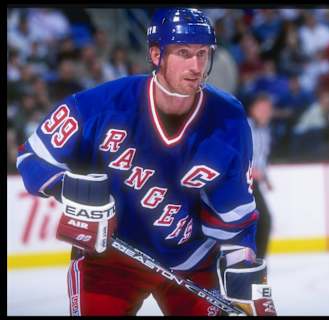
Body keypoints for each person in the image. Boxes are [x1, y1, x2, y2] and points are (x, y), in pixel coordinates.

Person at [16, 8, 276, 316]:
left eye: (203, 54)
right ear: (156, 54)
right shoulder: (103, 105)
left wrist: (244, 273)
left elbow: (233, 219)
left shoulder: (228, 120)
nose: (196, 65)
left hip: (192, 263)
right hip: (110, 260)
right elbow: (32, 156)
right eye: (183, 52)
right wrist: (68, 188)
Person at [247, 93, 274, 259]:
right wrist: (251, 170)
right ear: (253, 110)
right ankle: (257, 261)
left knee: (263, 221)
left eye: (268, 110)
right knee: (263, 220)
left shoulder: (266, 132)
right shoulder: (245, 127)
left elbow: (262, 158)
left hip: (254, 183)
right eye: (261, 109)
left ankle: (258, 260)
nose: (265, 113)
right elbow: (237, 154)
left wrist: (265, 177)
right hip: (241, 182)